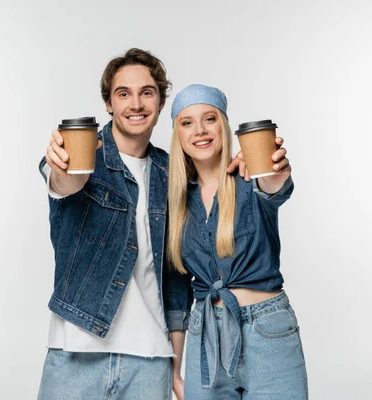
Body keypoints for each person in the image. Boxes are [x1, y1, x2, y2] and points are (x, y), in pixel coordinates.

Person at [37, 48, 193, 400]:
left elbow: (176, 280)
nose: (135, 104)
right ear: (109, 103)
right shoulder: (79, 151)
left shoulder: (173, 174)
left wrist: (176, 367)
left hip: (150, 362)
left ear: (160, 101)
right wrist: (62, 167)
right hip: (76, 355)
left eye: (147, 93)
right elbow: (64, 183)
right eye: (124, 94)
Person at [167, 84, 308, 399]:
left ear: (224, 125)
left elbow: (274, 184)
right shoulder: (175, 203)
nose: (200, 130)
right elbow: (174, 287)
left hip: (267, 331)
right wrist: (174, 367)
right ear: (177, 134)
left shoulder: (250, 176)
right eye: (187, 123)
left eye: (210, 119)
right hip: (204, 337)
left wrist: (275, 168)